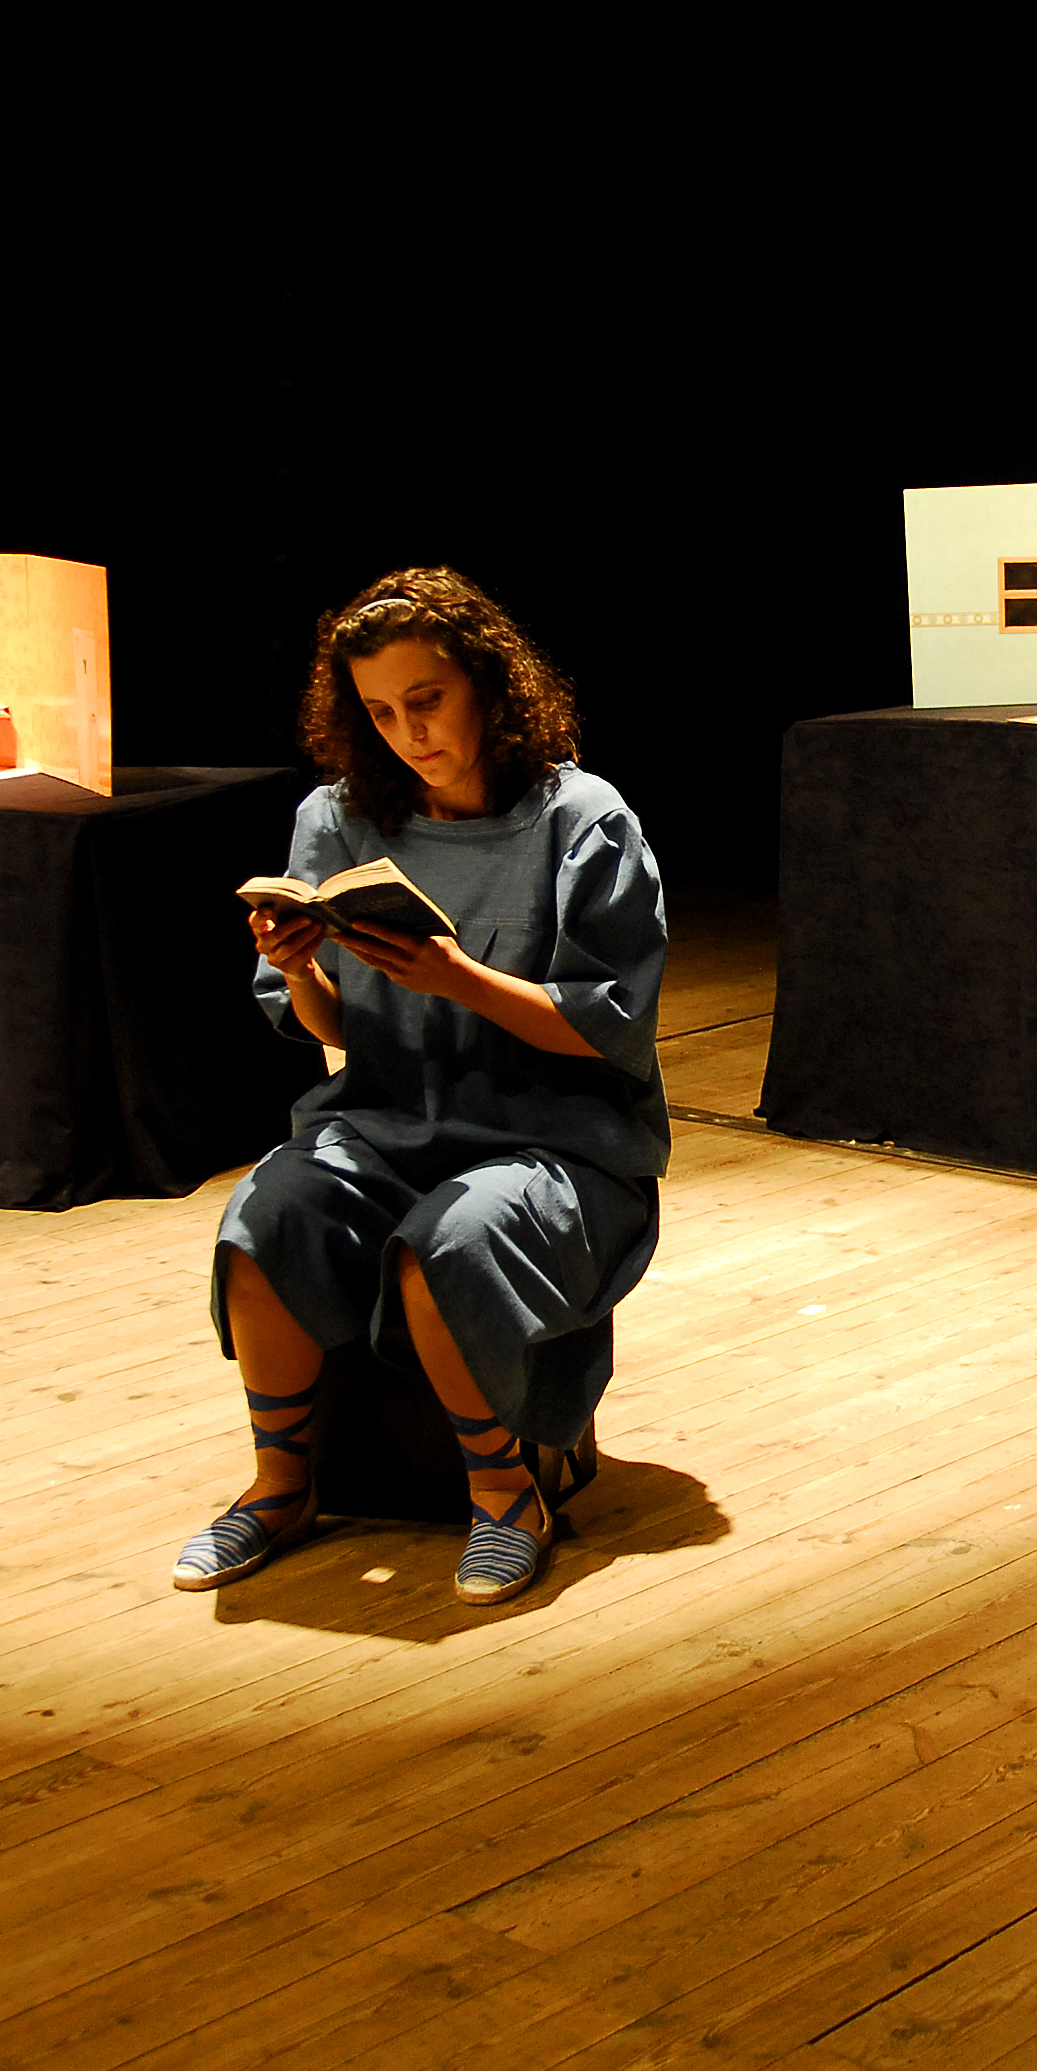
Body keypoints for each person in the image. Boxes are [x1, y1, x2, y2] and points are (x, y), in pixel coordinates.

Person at [174, 567, 668, 1604]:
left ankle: (504, 1495)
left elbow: (608, 1026)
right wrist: (301, 969)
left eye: (427, 700)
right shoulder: (340, 818)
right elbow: (334, 1029)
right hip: (390, 1120)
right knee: (265, 1218)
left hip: (557, 1140)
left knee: (450, 1242)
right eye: (381, 712)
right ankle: (281, 1485)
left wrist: (458, 978)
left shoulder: (580, 819)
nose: (409, 732)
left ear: (486, 683)